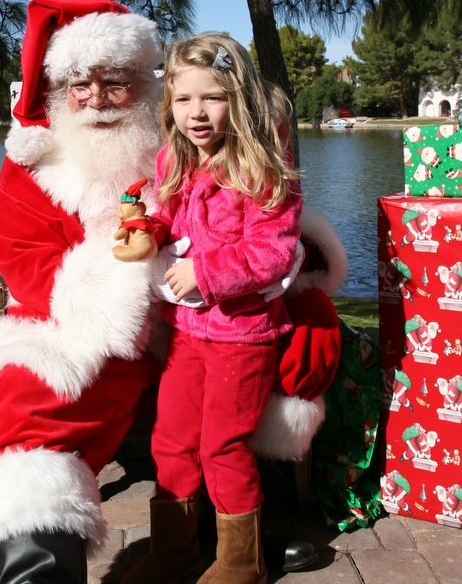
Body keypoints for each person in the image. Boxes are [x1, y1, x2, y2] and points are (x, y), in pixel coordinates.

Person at [0, 0, 166, 583]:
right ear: (58, 88)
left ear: (144, 82)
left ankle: (253, 524)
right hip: (76, 315)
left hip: (190, 305)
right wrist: (115, 291)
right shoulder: (33, 163)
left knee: (278, 340)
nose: (97, 98)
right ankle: (36, 565)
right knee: (30, 394)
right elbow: (24, 256)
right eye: (80, 83)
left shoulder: (177, 139)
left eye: (115, 82)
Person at [122, 33, 303, 584]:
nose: (196, 113)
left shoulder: (262, 168)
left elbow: (273, 251)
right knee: (171, 438)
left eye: (213, 97)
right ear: (169, 103)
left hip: (240, 334)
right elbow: (171, 224)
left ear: (239, 99)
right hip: (184, 331)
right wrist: (145, 231)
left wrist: (206, 270)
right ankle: (174, 550)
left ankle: (240, 562)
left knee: (223, 444)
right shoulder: (173, 159)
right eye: (183, 100)